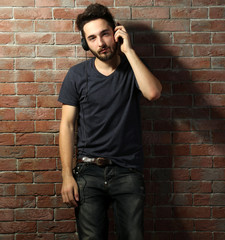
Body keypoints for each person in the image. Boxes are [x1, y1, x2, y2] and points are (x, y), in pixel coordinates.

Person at [58, 3, 162, 240]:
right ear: (86, 43)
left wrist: (129, 52)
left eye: (105, 34)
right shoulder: (76, 75)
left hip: (128, 171)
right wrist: (66, 175)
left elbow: (153, 93)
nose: (101, 43)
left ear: (116, 33)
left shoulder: (133, 67)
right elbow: (67, 126)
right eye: (92, 38)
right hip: (87, 171)